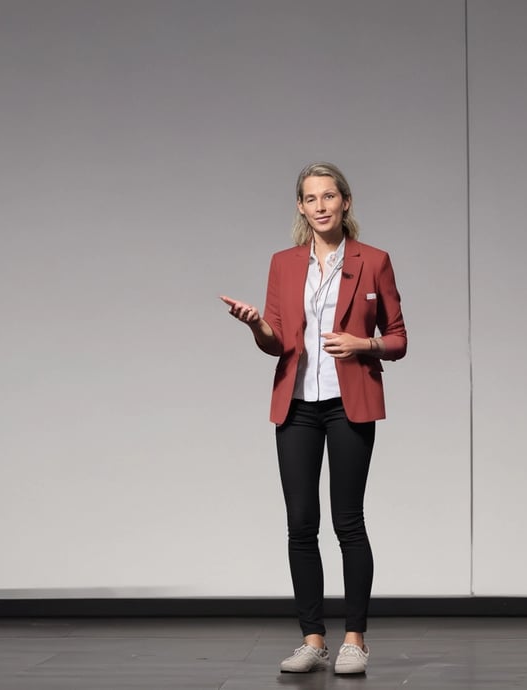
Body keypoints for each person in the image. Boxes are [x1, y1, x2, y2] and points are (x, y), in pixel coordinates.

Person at [220, 162, 407, 675]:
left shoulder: (374, 261)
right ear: (300, 208)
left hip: (351, 405)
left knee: (348, 522)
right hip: (297, 406)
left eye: (329, 196)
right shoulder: (283, 264)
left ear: (346, 202)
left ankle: (354, 639)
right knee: (301, 524)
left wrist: (362, 344)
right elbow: (277, 343)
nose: (320, 205)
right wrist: (257, 325)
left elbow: (398, 338)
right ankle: (312, 639)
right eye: (310, 198)